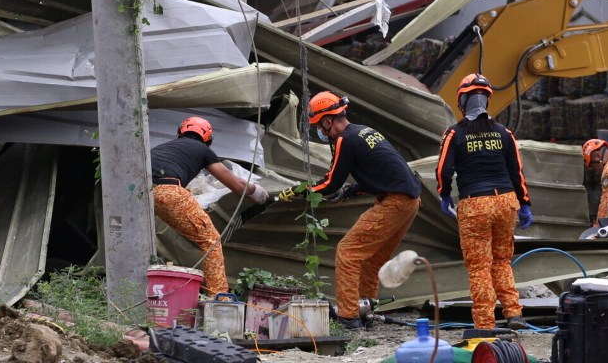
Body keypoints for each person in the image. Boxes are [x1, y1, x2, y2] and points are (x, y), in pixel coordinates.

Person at [286, 91, 422, 329]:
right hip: (410, 202)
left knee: (347, 252)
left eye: (319, 125)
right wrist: (349, 192)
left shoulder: (344, 140)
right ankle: (366, 310)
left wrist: (302, 190)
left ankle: (349, 316)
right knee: (371, 258)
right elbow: (379, 174)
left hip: (394, 202)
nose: (320, 130)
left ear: (328, 120)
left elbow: (330, 182)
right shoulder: (364, 131)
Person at [436, 74, 532, 330]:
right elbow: (517, 172)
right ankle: (514, 314)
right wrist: (525, 204)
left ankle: (485, 323)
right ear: (487, 100)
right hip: (506, 202)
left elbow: (443, 171)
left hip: (475, 204)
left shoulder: (454, 134)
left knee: (479, 266)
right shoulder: (504, 133)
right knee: (501, 261)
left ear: (462, 100)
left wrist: (444, 195)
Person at [151, 116, 269, 297]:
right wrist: (255, 191)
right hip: (170, 191)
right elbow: (236, 186)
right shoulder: (202, 150)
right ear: (208, 139)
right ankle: (219, 297)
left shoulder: (161, 148)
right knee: (211, 241)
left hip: (142, 195)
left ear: (180, 132)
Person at [583, 138, 608, 225]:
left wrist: (598, 226)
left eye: (593, 166)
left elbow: (607, 201)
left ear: (598, 156)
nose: (596, 171)